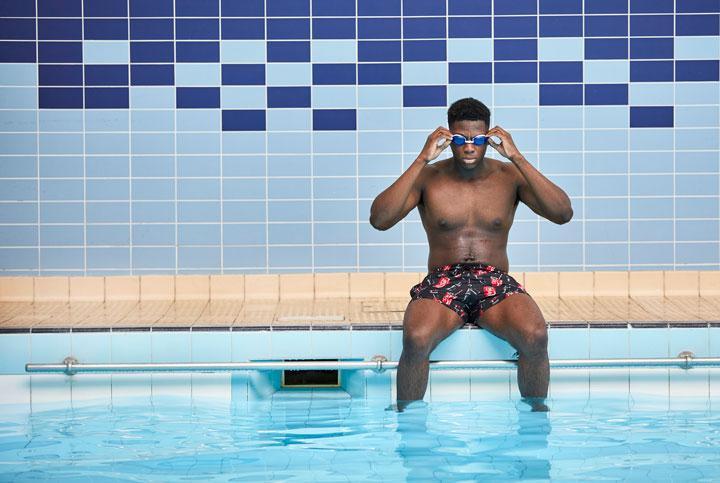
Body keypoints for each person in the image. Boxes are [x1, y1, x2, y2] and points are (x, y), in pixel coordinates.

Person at [369, 98, 573, 412]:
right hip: (443, 281)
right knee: (416, 338)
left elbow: (562, 213)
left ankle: (535, 419)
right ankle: (407, 424)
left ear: (489, 139)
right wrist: (421, 159)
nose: (469, 147)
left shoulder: (509, 177)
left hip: (494, 281)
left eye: (477, 140)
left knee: (535, 335)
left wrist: (517, 157)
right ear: (448, 137)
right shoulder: (428, 178)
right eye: (460, 139)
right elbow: (379, 220)